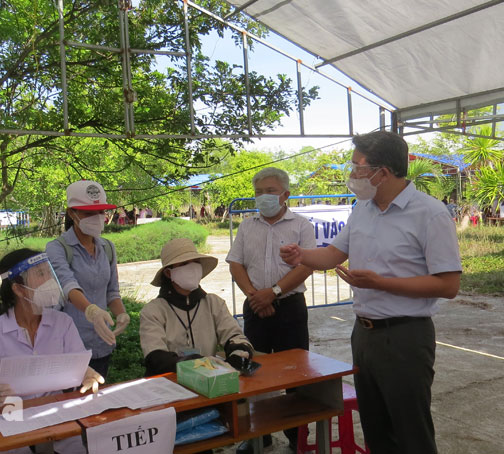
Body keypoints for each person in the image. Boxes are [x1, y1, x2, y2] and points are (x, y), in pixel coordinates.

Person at [280, 131, 461, 454]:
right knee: (376, 430)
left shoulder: (430, 214)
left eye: (357, 168)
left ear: (383, 172)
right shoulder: (362, 208)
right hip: (364, 334)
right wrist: (301, 256)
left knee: (411, 431)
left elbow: (448, 285)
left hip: (406, 336)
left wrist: (381, 283)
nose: (352, 176)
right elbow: (333, 254)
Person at [0, 249, 102, 454]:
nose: (51, 281)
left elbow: (78, 366)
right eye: (41, 274)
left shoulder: (63, 323)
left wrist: (87, 374)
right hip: (9, 428)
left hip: (58, 421)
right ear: (19, 289)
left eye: (49, 272)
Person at [226, 167, 315, 453]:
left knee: (296, 372)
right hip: (255, 307)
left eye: (270, 191)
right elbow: (235, 263)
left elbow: (306, 265)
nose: (263, 197)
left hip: (290, 308)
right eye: (258, 192)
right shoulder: (247, 226)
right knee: (253, 372)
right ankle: (256, 436)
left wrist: (273, 292)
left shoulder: (301, 225)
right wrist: (255, 296)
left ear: (285, 194)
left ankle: (296, 436)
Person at [46, 180, 129, 379]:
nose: (96, 218)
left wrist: (121, 314)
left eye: (100, 212)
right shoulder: (57, 248)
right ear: (72, 213)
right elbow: (68, 285)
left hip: (102, 342)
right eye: (88, 213)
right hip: (69, 346)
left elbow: (112, 291)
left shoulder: (107, 247)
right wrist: (91, 310)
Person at [140, 238, 254, 377]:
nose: (192, 267)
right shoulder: (153, 311)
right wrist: (191, 363)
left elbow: (235, 336)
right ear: (168, 273)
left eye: (195, 262)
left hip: (210, 381)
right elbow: (155, 357)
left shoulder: (214, 303)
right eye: (184, 264)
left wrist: (238, 353)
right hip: (170, 384)